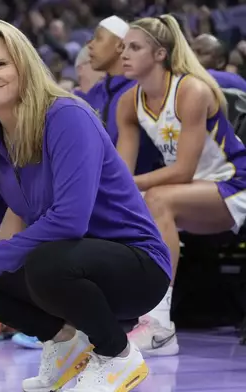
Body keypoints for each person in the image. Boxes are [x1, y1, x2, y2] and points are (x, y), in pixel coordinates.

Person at [0, 19, 171, 392]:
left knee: (46, 260)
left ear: (23, 65)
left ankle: (118, 357)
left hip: (136, 266)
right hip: (64, 263)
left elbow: (70, 220)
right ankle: (63, 341)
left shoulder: (66, 116)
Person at [116, 15, 246, 357]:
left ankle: (159, 326)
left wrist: (130, 185)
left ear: (160, 54)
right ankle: (115, 315)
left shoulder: (192, 90)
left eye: (134, 47)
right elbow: (120, 172)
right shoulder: (128, 102)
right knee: (119, 207)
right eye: (123, 47)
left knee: (156, 198)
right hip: (195, 192)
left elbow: (184, 170)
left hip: (234, 183)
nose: (124, 54)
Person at [87, 16, 163, 176]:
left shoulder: (141, 90)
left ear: (120, 46)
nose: (90, 44)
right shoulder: (94, 92)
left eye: (98, 38)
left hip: (138, 185)